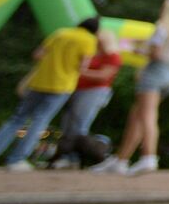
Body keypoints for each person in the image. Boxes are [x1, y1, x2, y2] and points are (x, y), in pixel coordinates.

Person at [92, 0, 169, 176]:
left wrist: (139, 50)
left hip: (156, 72)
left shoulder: (162, 27)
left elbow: (156, 54)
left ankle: (148, 157)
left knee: (147, 116)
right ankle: (121, 160)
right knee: (137, 116)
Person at [0, 17, 99, 170]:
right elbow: (82, 66)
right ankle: (16, 160)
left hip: (39, 82)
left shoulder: (61, 33)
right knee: (40, 121)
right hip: (62, 85)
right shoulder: (89, 40)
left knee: (17, 119)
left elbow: (38, 55)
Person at [51, 28, 123, 169]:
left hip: (95, 92)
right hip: (77, 90)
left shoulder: (113, 57)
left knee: (80, 124)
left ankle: (77, 157)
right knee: (67, 124)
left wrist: (79, 72)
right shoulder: (91, 54)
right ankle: (69, 157)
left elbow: (104, 76)